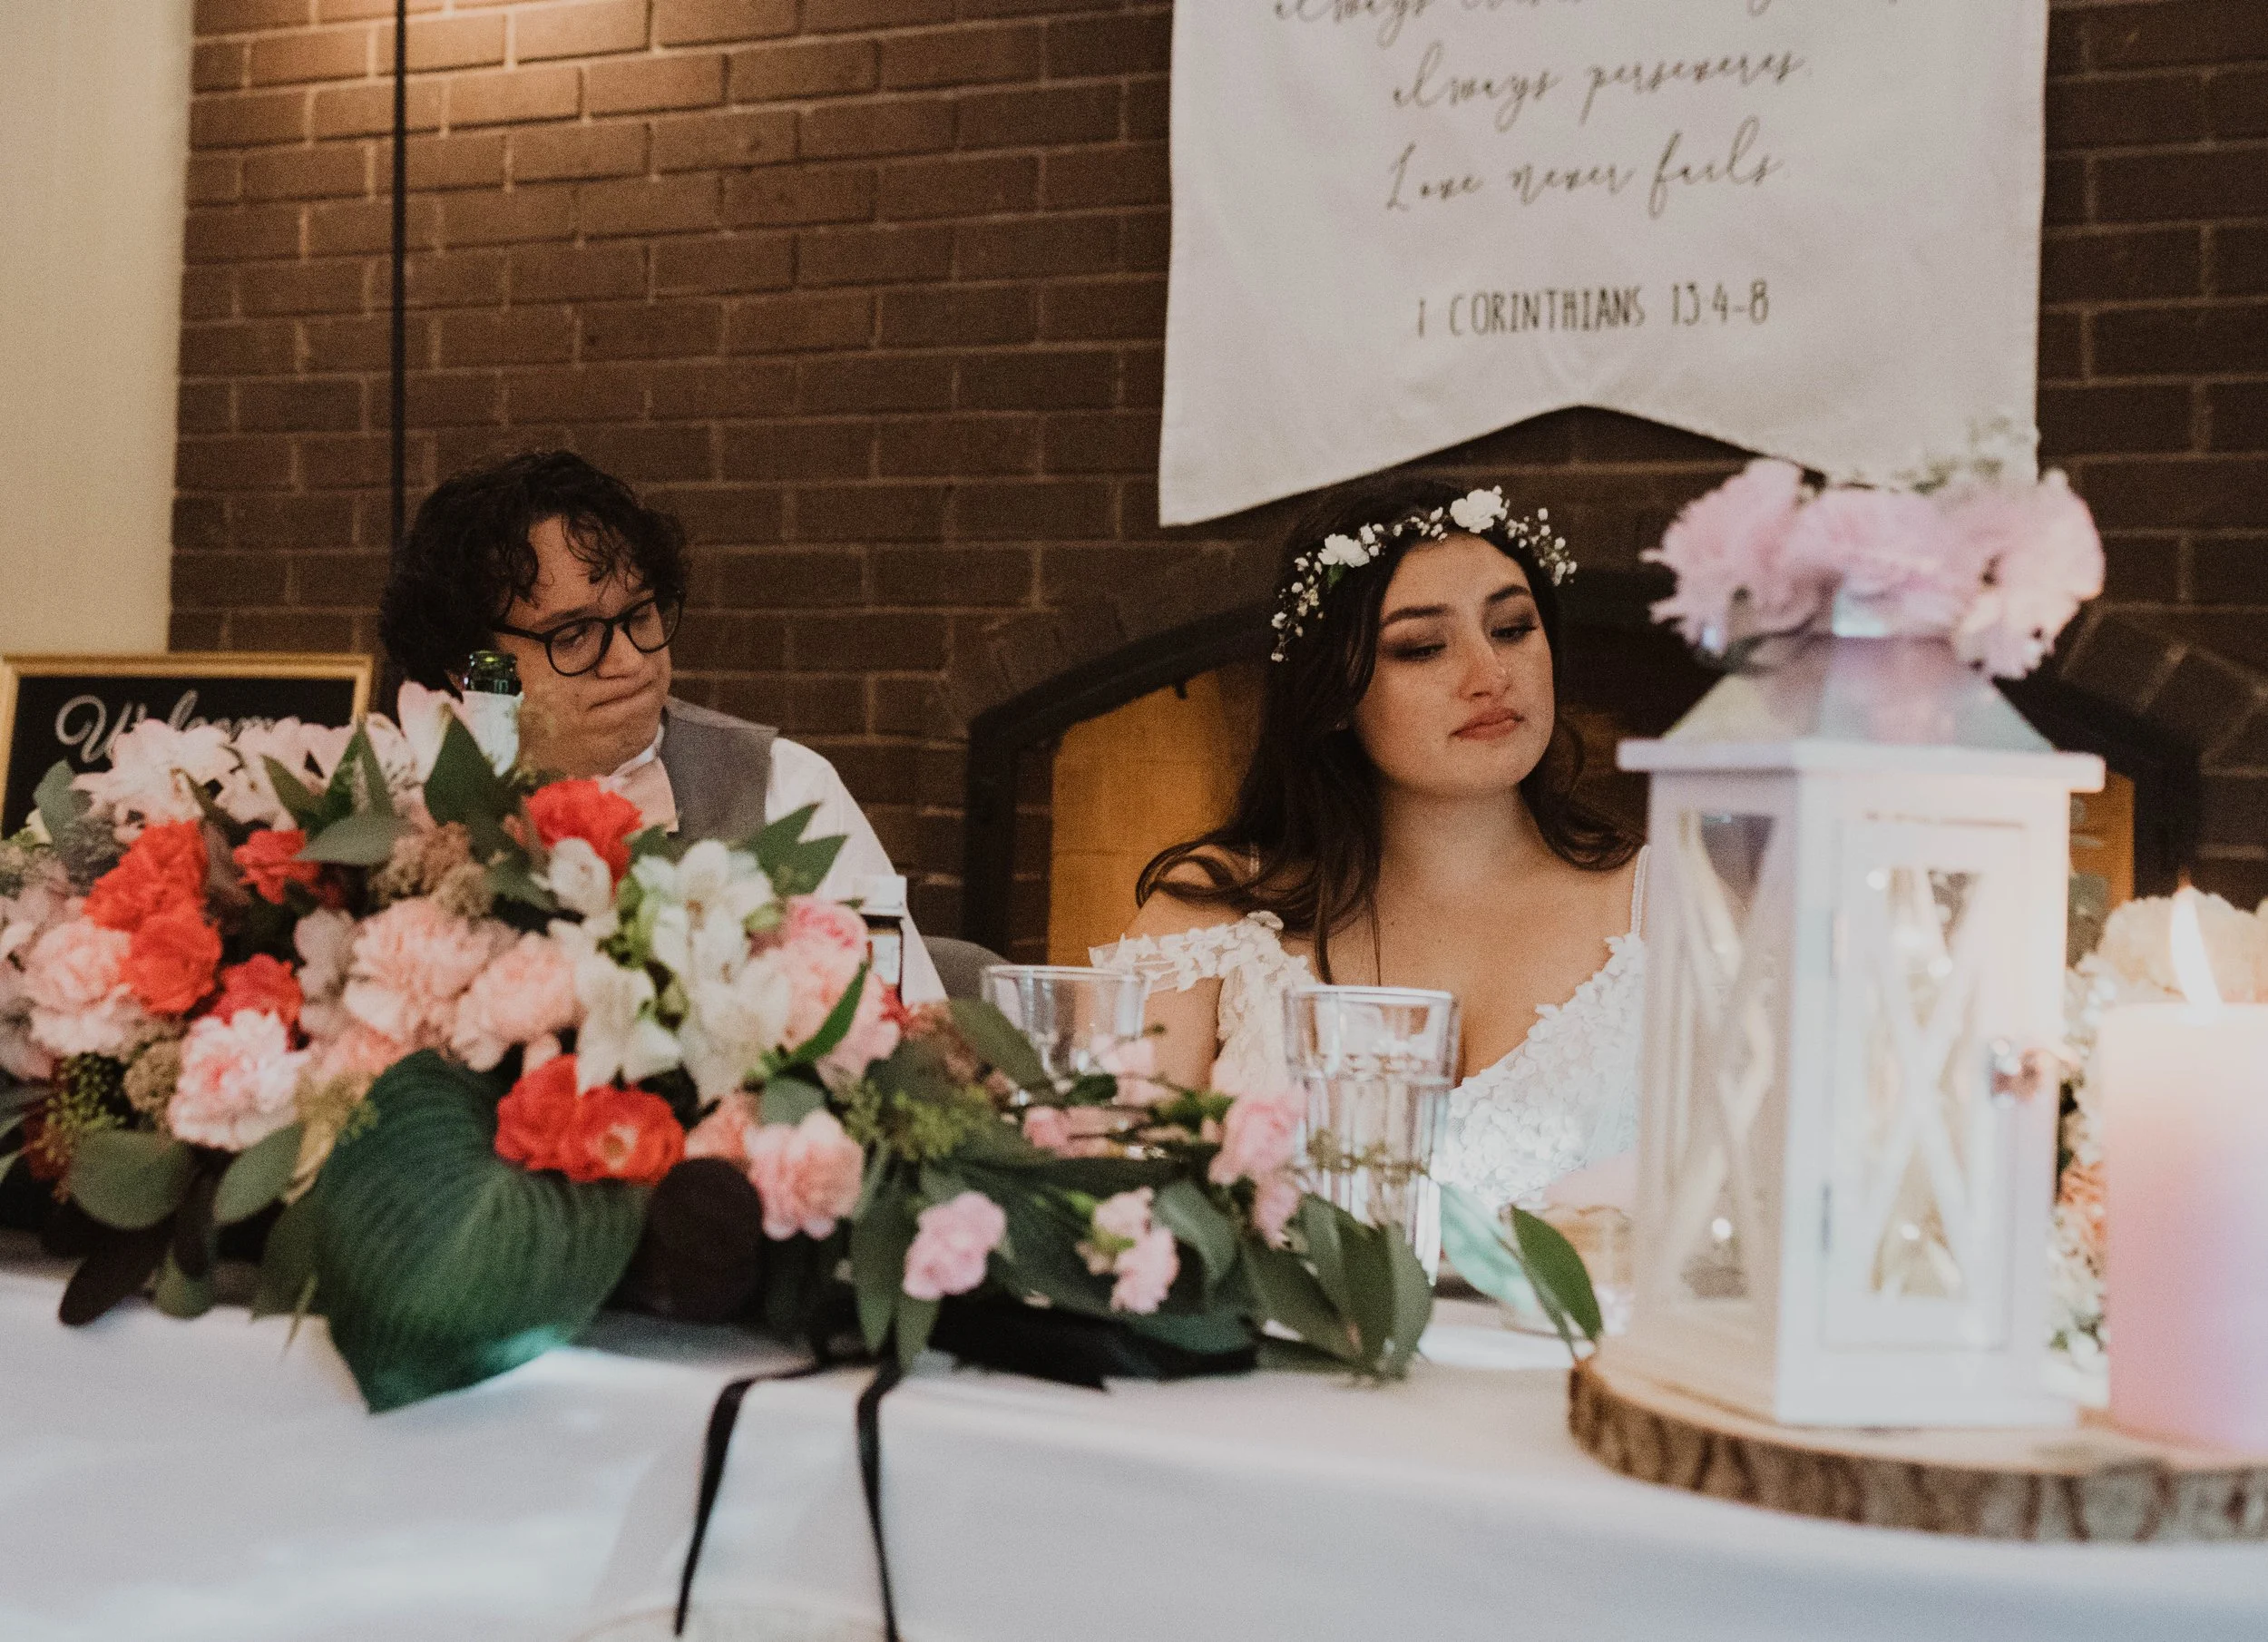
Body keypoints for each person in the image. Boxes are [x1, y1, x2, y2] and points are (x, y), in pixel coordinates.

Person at [1096, 475, 1645, 1213]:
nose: (1491, 674)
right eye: (1421, 648)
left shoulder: (1670, 907)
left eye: (1512, 628)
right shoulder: (1214, 916)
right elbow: (1099, 1202)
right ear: (1332, 697)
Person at [378, 449, 944, 1003]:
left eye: (639, 616)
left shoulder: (790, 790)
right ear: (474, 673)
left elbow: (911, 1029)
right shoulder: (407, 815)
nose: (629, 660)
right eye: (573, 636)